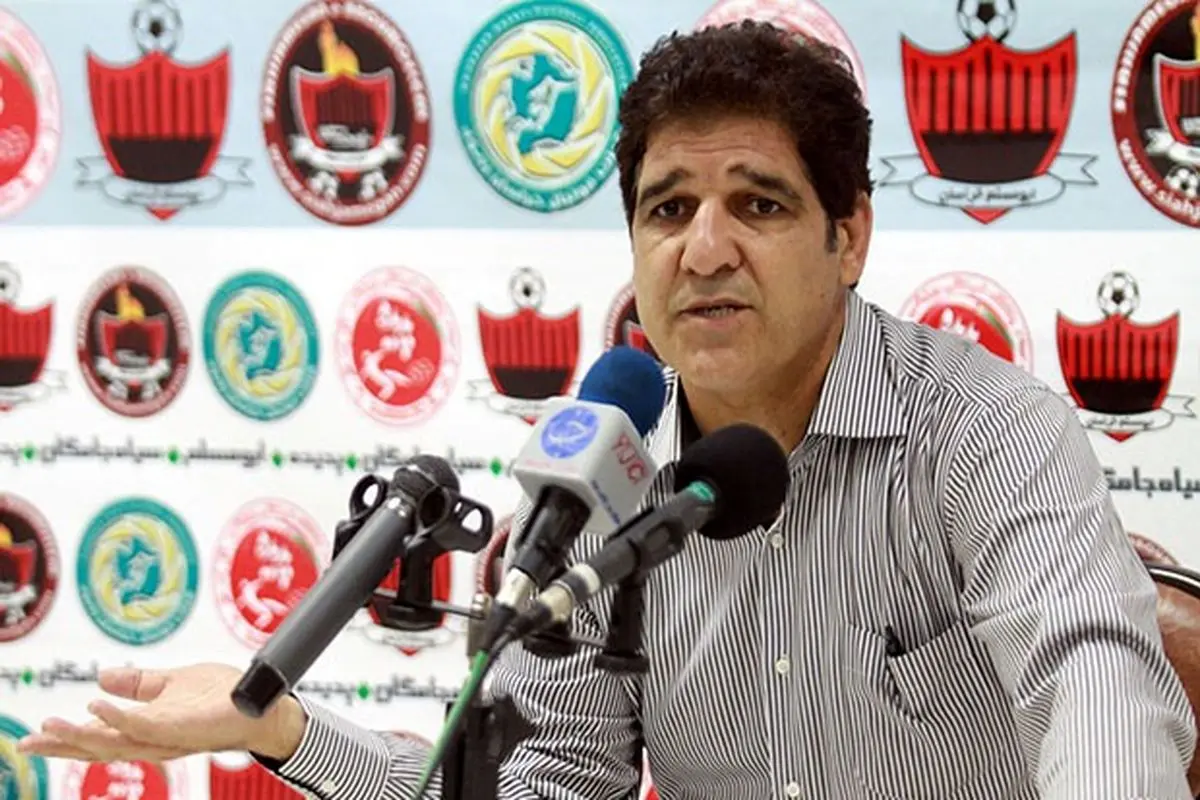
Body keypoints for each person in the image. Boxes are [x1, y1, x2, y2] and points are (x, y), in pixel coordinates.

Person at [18, 20, 1197, 799]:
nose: (705, 249)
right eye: (668, 208)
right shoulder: (600, 483)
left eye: (759, 204)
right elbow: (537, 782)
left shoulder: (987, 431)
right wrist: (275, 725)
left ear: (850, 237)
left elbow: (1094, 689)